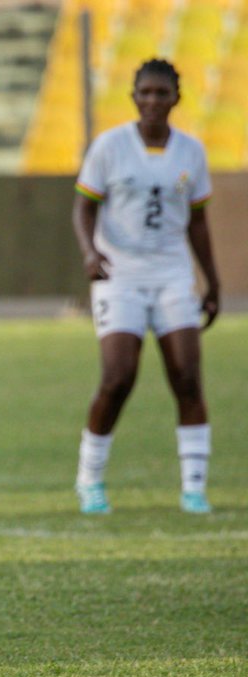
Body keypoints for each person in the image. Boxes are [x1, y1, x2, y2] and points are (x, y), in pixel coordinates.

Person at [72, 59, 220, 514]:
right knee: (118, 377)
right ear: (134, 97)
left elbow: (197, 222)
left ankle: (193, 487)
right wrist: (90, 253)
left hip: (172, 274)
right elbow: (83, 208)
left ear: (177, 98)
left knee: (188, 377)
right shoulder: (110, 147)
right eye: (146, 93)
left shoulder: (191, 152)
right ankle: (90, 479)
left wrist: (211, 282)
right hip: (121, 276)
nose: (153, 101)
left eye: (162, 93)